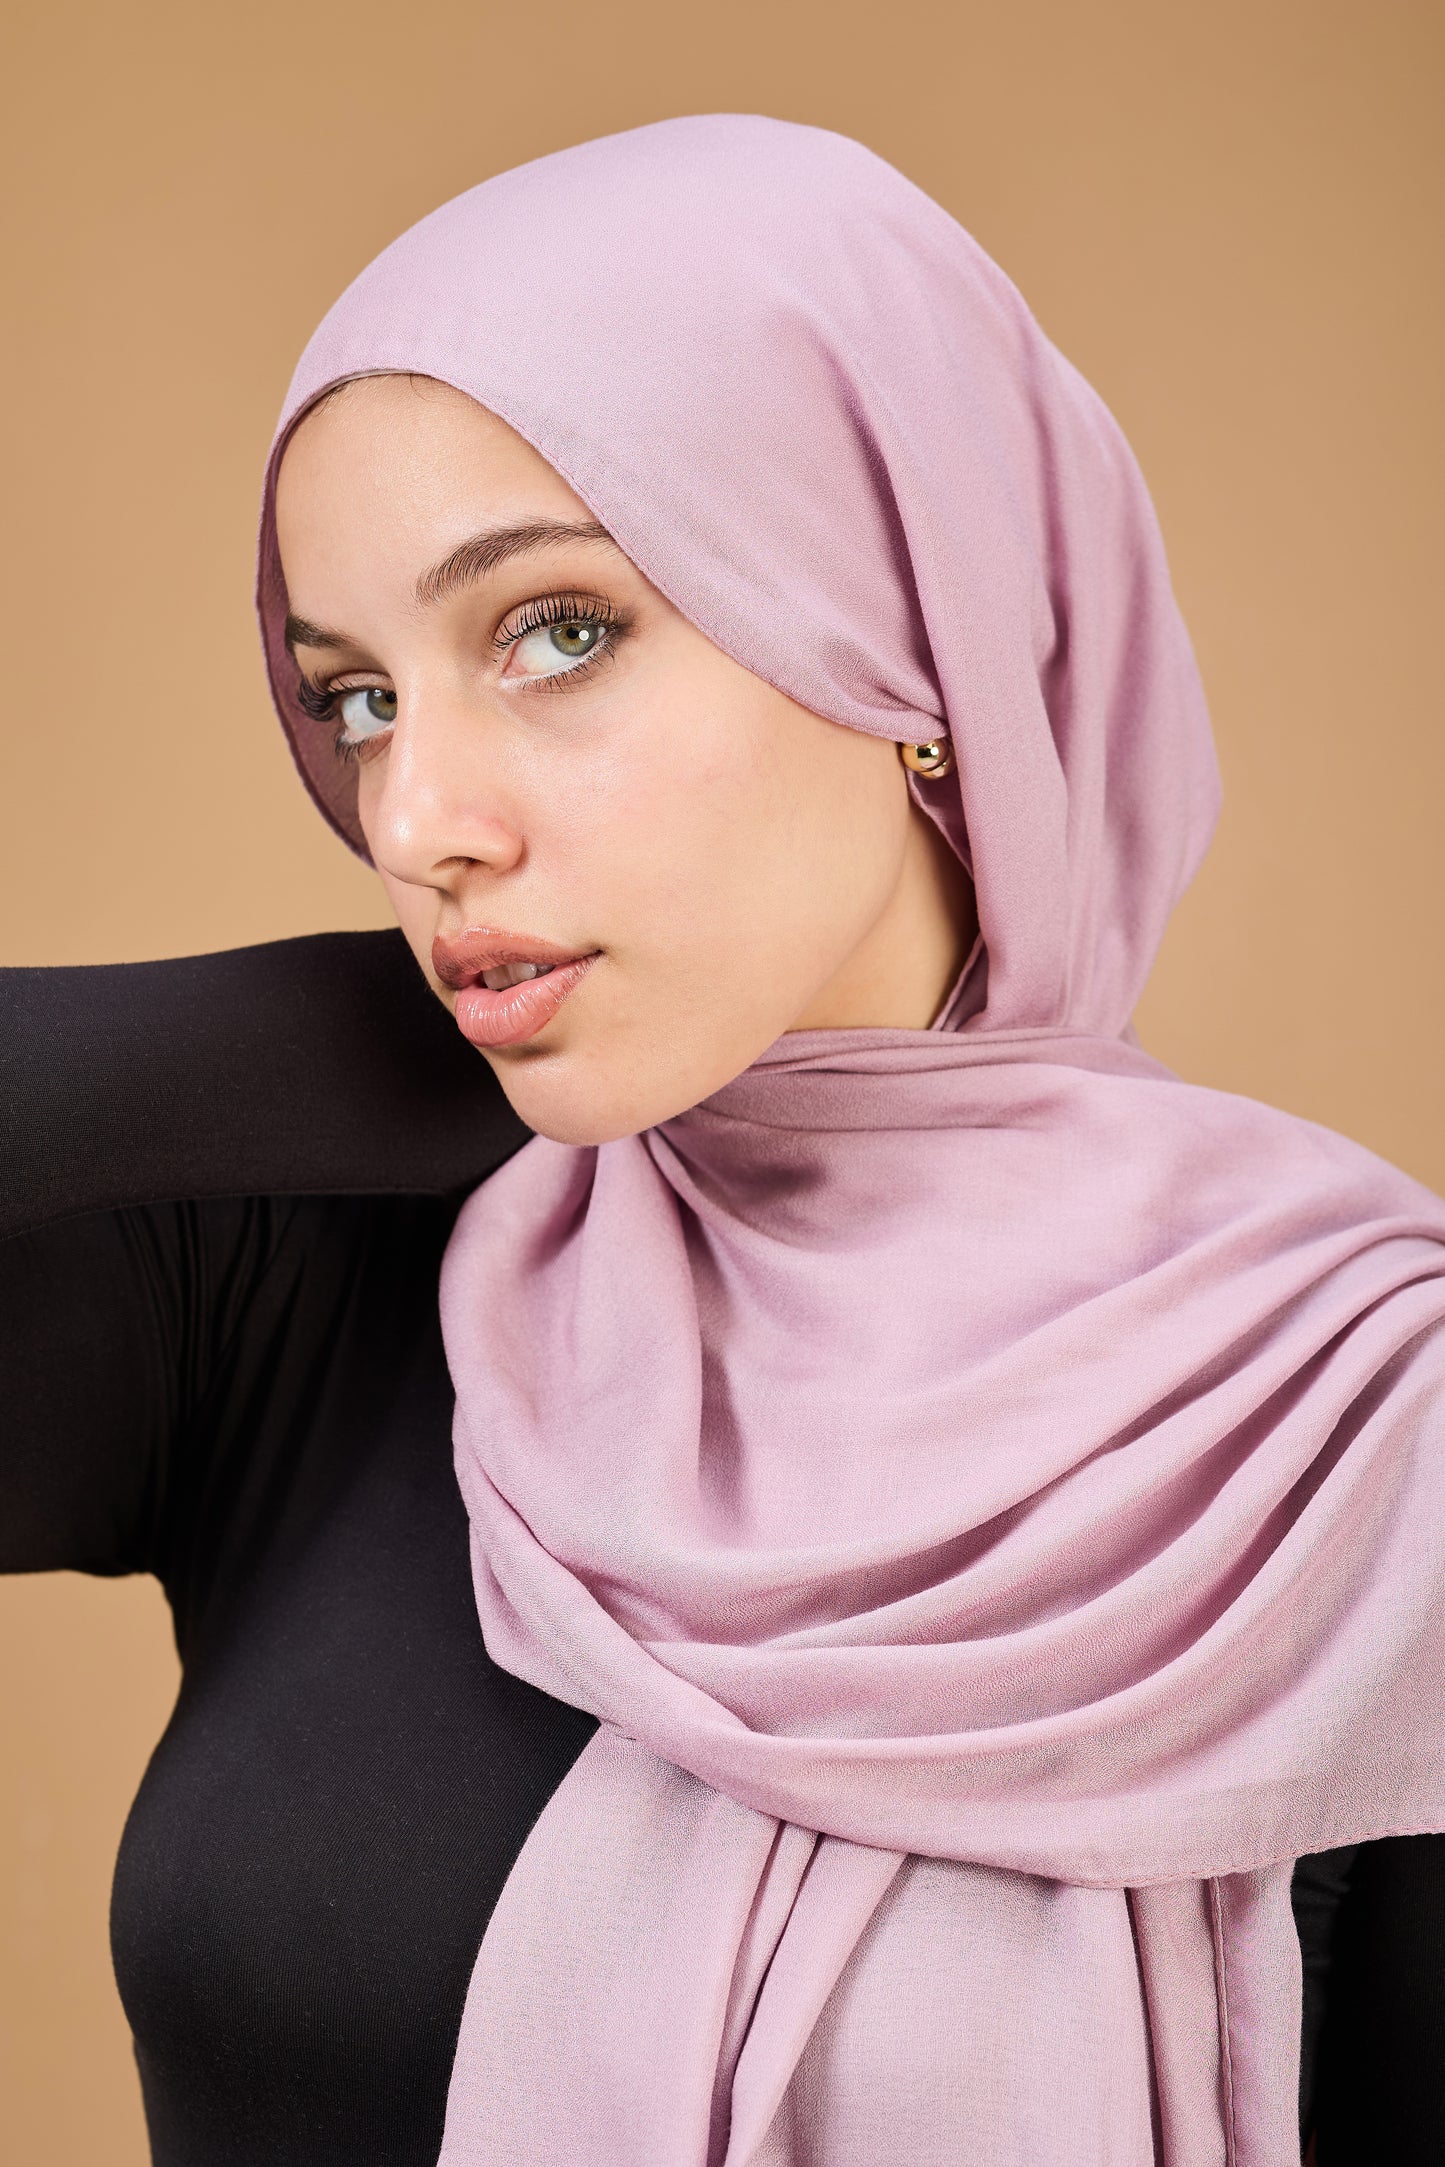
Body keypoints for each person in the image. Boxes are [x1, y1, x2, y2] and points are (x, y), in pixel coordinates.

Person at [4, 112, 1445, 2165]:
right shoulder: (301, 1282)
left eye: (555, 632)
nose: (415, 821)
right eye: (358, 699)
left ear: (917, 644)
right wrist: (365, 1033)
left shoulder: (1354, 1437)